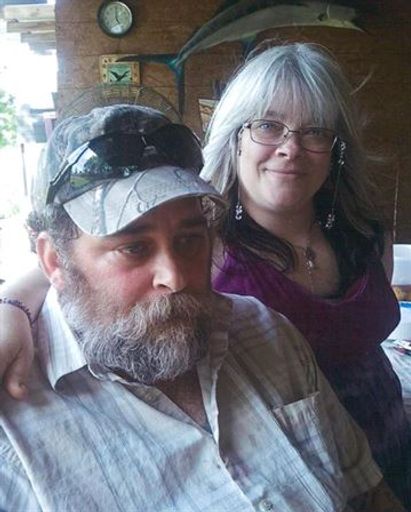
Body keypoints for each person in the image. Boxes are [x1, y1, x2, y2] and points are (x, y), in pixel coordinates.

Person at [0, 103, 404, 511]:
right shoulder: (13, 433)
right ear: (54, 260)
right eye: (134, 248)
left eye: (189, 240)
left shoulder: (264, 330)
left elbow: (367, 492)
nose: (174, 277)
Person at [200, 42, 411, 508]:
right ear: (236, 137)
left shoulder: (365, 235)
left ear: (335, 149)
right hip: (292, 488)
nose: (290, 148)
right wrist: (27, 294)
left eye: (314, 131)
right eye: (268, 126)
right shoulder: (202, 246)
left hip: (395, 454)